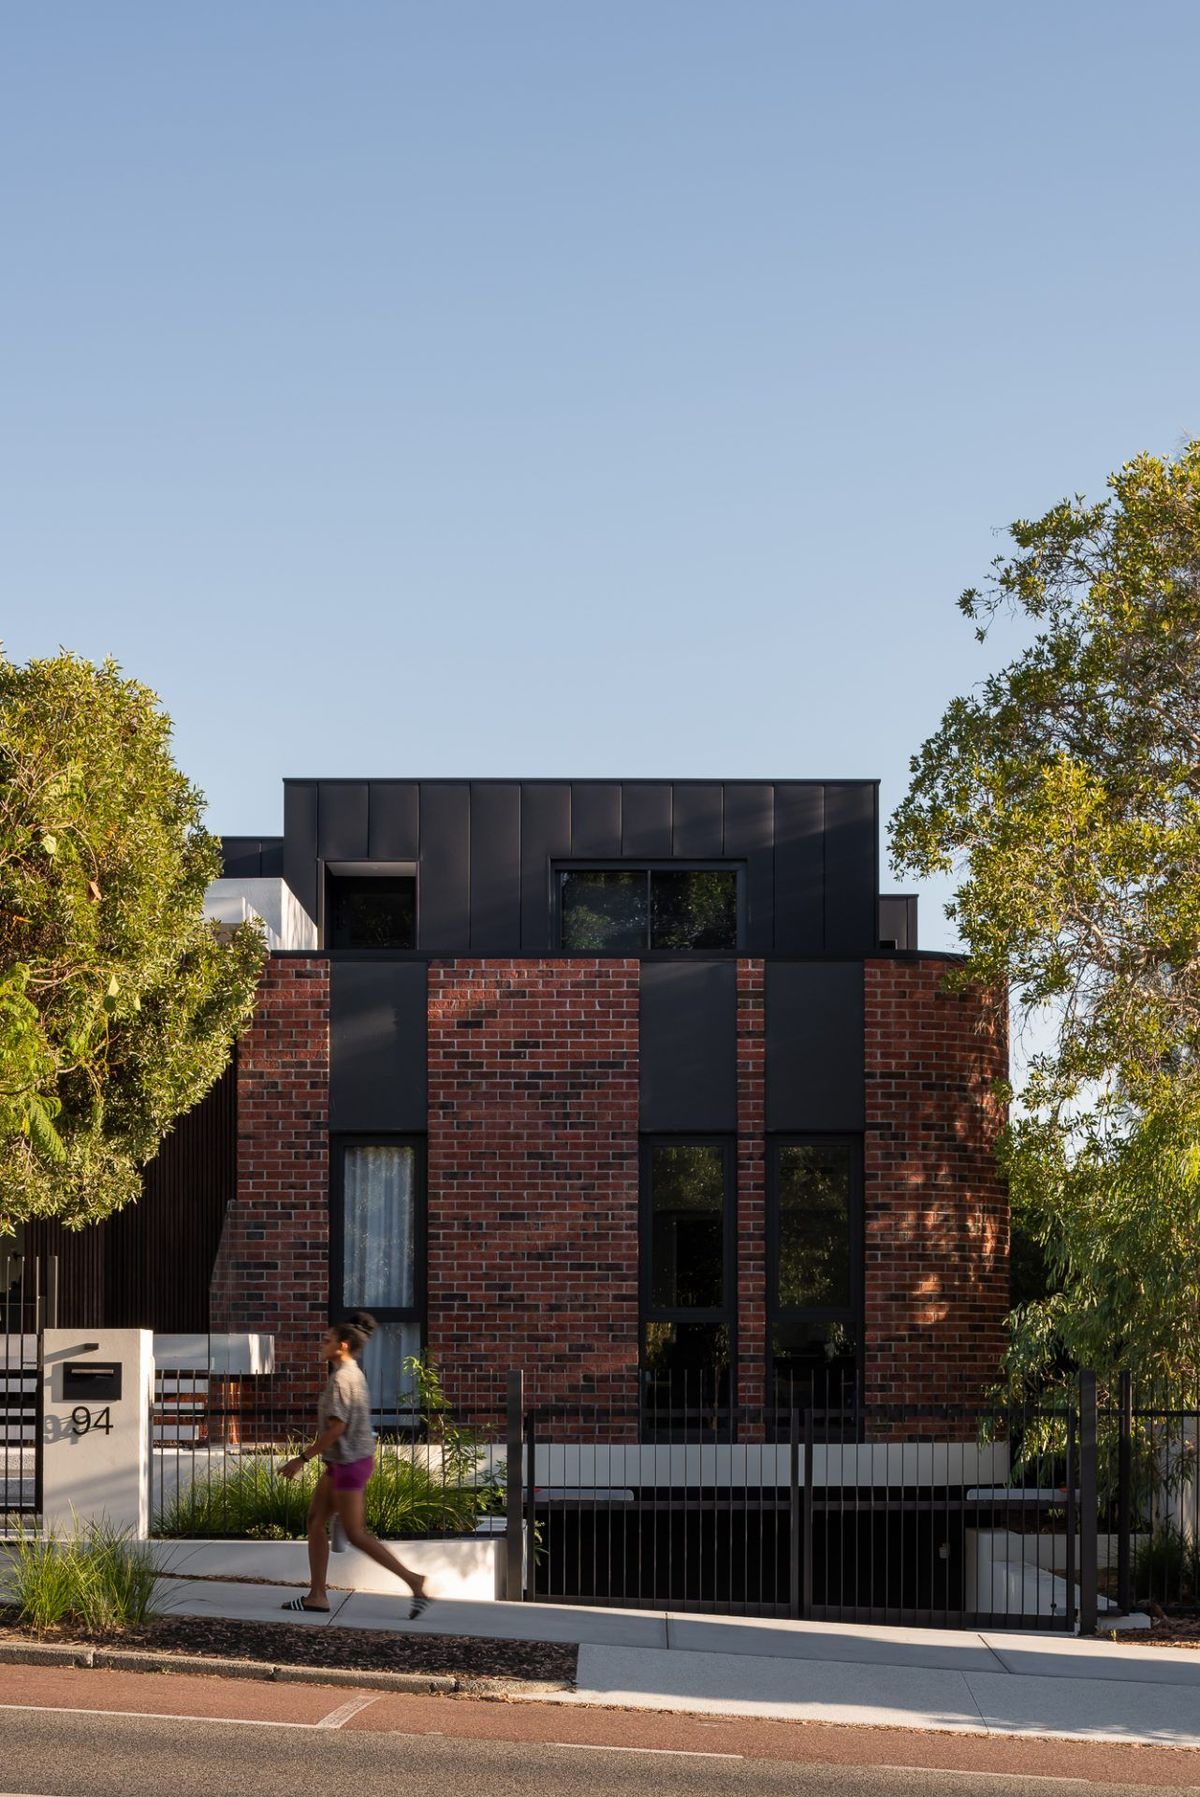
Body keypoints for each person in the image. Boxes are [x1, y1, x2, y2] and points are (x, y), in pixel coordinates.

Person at [280, 1311, 430, 1620]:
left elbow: (336, 1428)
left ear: (343, 1345)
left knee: (356, 1533)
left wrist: (301, 1459)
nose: (322, 1343)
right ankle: (317, 1596)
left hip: (348, 1464)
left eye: (328, 1339)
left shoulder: (342, 1378)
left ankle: (414, 1581)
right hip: (341, 1461)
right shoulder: (349, 1373)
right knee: (314, 1521)